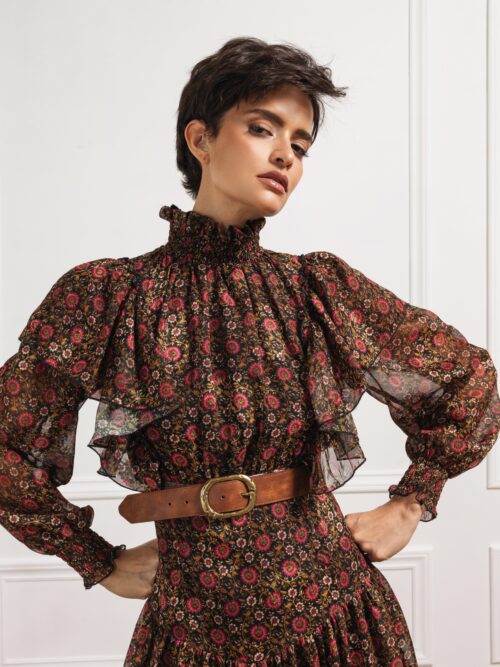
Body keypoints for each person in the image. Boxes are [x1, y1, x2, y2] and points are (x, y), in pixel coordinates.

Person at [1, 36, 499, 666]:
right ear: (200, 139)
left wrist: (410, 501)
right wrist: (96, 560)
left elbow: (468, 378)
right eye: (263, 128)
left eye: (300, 145)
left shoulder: (315, 288)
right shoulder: (107, 296)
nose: (285, 154)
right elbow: (7, 445)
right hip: (188, 633)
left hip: (336, 619)